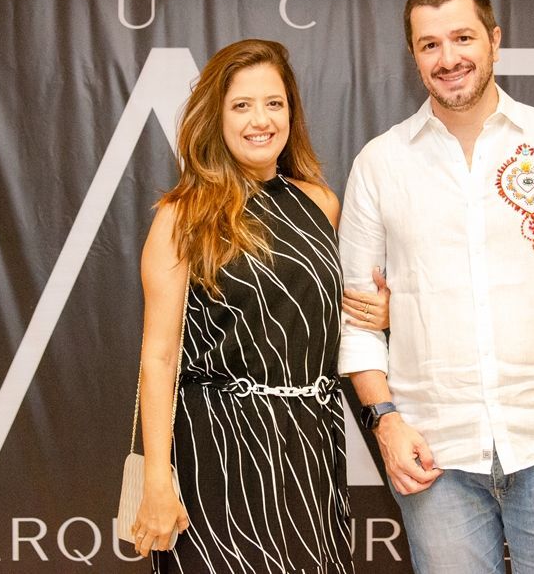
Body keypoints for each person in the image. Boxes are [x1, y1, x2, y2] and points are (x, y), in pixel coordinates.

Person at [338, 0, 534, 572]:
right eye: (430, 45)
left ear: (494, 40)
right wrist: (386, 423)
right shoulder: (380, 164)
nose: (448, 59)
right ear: (414, 56)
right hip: (434, 454)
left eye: (462, 38)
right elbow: (359, 323)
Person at [130, 38, 387, 572]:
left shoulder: (320, 203)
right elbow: (159, 356)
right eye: (241, 105)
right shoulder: (181, 216)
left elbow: (311, 313)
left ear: (291, 112)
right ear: (215, 117)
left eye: (274, 103)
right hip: (218, 450)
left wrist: (383, 316)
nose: (260, 120)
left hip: (311, 445)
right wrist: (157, 479)